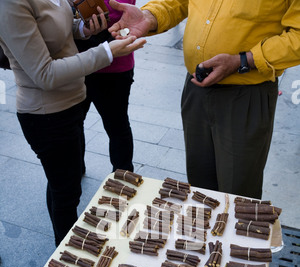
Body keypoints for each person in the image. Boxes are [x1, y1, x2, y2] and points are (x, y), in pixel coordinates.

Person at [108, 0, 300, 199]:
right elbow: (179, 2)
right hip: (196, 88)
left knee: (237, 194)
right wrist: (149, 17)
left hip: (246, 94)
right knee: (201, 188)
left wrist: (243, 61)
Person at [0, 0, 145, 247]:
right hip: (46, 113)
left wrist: (83, 30)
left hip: (70, 103)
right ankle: (65, 260)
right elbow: (45, 74)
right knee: (65, 193)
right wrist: (107, 52)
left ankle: (67, 251)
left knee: (67, 185)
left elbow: (56, 26)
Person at [81, 0, 137, 173]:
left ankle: (122, 177)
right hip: (76, 62)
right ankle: (73, 169)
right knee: (72, 124)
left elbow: (118, 10)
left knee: (116, 125)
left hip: (114, 66)